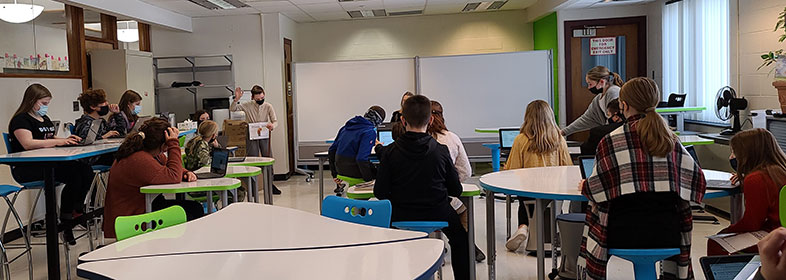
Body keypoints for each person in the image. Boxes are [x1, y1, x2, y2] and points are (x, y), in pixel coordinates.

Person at [577, 77, 706, 280]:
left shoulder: (610, 141)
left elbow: (596, 191)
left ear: (623, 105)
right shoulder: (672, 141)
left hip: (621, 234)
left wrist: (585, 185)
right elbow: (698, 184)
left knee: (595, 212)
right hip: (667, 234)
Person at [374, 95, 469, 280]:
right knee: (461, 241)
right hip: (438, 212)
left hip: (400, 215)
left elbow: (380, 193)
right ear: (431, 119)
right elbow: (455, 190)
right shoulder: (440, 151)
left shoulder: (389, 153)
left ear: (402, 120)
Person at [7, 84, 94, 242]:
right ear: (32, 101)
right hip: (30, 167)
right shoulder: (21, 120)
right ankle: (66, 221)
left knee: (86, 170)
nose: (46, 107)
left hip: (49, 162)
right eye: (44, 103)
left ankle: (77, 207)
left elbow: (50, 138)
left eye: (48, 104)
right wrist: (58, 143)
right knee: (74, 176)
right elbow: (28, 143)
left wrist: (66, 140)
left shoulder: (44, 119)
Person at [103, 118, 204, 239]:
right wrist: (173, 144)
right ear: (163, 145)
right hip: (133, 218)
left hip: (145, 206)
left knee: (194, 208)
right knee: (191, 213)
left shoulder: (148, 153)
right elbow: (173, 176)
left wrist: (185, 172)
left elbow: (170, 166)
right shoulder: (139, 159)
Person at [502, 100, 572, 252]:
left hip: (528, 192)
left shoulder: (521, 139)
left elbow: (513, 169)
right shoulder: (559, 139)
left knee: (523, 201)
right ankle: (554, 234)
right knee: (552, 205)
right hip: (554, 193)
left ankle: (523, 227)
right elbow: (568, 166)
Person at [707, 128, 786, 255]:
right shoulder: (780, 170)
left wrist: (728, 230)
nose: (732, 157)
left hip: (775, 237)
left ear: (748, 154)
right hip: (781, 231)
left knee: (716, 242)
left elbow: (752, 224)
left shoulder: (756, 179)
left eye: (735, 152)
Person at [426, 100, 486, 262]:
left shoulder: (411, 140)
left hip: (413, 205)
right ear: (442, 116)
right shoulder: (451, 138)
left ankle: (434, 245)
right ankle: (466, 245)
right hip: (444, 198)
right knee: (462, 209)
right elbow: (466, 170)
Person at [230, 85, 281, 194]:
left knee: (268, 159)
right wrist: (236, 99)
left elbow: (275, 121)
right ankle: (253, 186)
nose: (260, 101)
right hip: (251, 133)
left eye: (262, 98)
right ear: (253, 97)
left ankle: (270, 184)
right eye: (258, 99)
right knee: (252, 159)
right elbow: (233, 109)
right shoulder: (247, 105)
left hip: (264, 133)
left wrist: (272, 125)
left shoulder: (268, 106)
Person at [328, 106, 386, 194]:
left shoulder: (345, 128)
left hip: (340, 170)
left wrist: (334, 174)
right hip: (355, 171)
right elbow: (361, 159)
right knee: (384, 174)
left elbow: (331, 150)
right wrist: (368, 181)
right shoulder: (369, 132)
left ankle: (359, 206)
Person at [562, 66, 624, 137]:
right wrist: (564, 132)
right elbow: (587, 118)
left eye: (590, 84)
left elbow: (615, 122)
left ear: (601, 81)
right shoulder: (598, 99)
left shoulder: (613, 92)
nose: (589, 87)